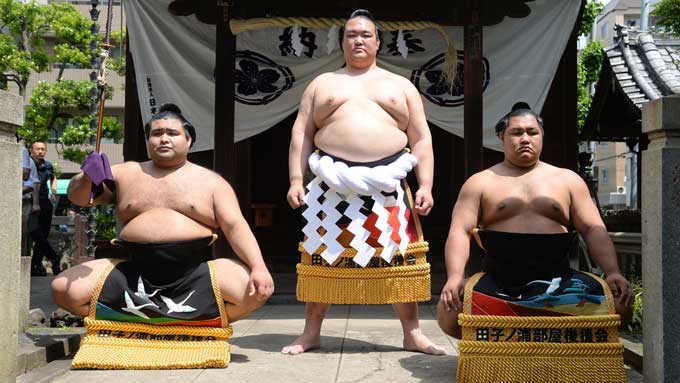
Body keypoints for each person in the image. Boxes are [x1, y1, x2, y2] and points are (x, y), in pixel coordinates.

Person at [283, 9, 445, 356]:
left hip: (388, 185)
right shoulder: (322, 84)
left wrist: (425, 185)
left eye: (365, 35)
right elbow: (302, 133)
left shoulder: (399, 85)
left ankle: (412, 333)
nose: (358, 40)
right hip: (331, 184)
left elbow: (421, 139)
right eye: (351, 35)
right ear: (341, 42)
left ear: (377, 41)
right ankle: (311, 332)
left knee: (401, 259)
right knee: (321, 256)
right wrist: (297, 179)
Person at [52, 103, 274, 327]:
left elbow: (235, 226)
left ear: (188, 140)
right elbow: (78, 197)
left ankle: (192, 325)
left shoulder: (211, 182)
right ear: (148, 141)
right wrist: (86, 176)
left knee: (252, 290)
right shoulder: (125, 172)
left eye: (173, 133)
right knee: (63, 288)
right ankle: (140, 323)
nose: (164, 139)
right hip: (133, 272)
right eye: (157, 133)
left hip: (194, 272)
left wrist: (259, 266)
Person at [436, 102, 633, 339]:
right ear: (501, 137)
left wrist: (612, 271)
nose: (525, 139)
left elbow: (593, 229)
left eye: (532, 132)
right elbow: (460, 230)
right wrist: (455, 277)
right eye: (516, 133)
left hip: (558, 278)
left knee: (621, 306)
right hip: (500, 279)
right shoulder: (480, 182)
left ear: (542, 136)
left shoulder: (567, 180)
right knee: (449, 312)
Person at [29, 140, 60, 275]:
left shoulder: (48, 165)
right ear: (31, 150)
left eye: (43, 149)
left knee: (44, 234)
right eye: (37, 149)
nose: (40, 151)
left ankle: (36, 266)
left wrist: (53, 192)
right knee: (36, 233)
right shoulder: (27, 163)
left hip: (45, 203)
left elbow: (54, 178)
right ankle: (54, 257)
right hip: (30, 202)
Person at [21, 145, 40, 262]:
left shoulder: (23, 154)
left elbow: (33, 183)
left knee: (23, 236)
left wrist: (36, 203)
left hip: (23, 201)